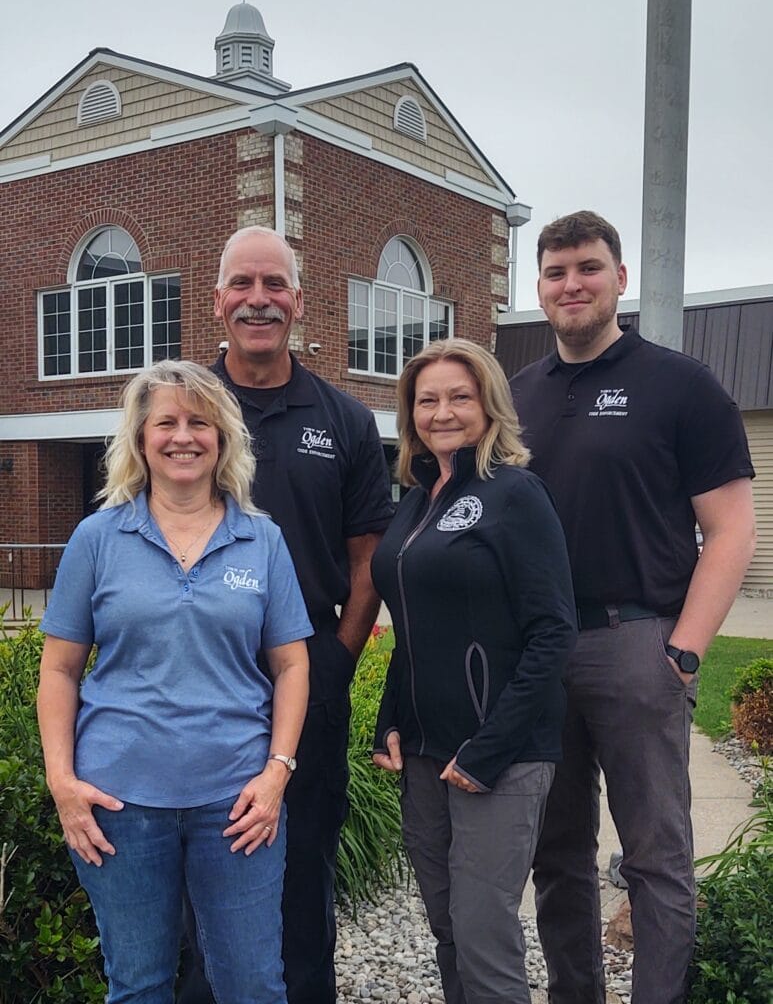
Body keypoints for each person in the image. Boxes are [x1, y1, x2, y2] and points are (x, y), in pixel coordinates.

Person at [509, 210, 757, 1004]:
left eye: (586, 267)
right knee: (556, 853)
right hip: (538, 654)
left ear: (619, 279)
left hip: (635, 642)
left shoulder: (680, 385)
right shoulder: (515, 397)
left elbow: (730, 528)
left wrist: (683, 651)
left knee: (654, 856)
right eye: (554, 272)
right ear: (539, 289)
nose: (570, 284)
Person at [36, 360, 312, 1003]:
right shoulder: (97, 538)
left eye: (200, 423)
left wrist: (276, 774)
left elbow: (293, 664)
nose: (182, 436)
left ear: (223, 440)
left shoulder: (261, 540)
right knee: (138, 985)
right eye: (166, 422)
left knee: (253, 986)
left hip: (238, 804)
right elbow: (59, 667)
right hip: (118, 803)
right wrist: (63, 784)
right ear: (139, 439)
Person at [179, 226, 395, 1004]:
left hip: (306, 681)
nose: (258, 299)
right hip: (195, 684)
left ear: (298, 303)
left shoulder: (343, 421)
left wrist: (336, 658)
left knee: (303, 871)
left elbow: (369, 554)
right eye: (243, 284)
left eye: (274, 284)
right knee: (197, 878)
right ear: (217, 303)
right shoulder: (182, 411)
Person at [371, 338, 577, 1004]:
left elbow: (553, 631)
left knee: (485, 938)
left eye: (459, 396)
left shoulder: (516, 494)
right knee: (447, 925)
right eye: (426, 400)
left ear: (488, 404)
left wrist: (489, 751)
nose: (442, 412)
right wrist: (388, 721)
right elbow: (411, 625)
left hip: (501, 755)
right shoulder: (413, 500)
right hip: (427, 754)